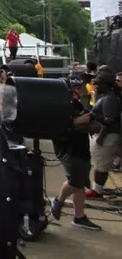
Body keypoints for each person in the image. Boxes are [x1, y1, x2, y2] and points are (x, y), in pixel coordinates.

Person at [50, 78, 101, 230]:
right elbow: (57, 127)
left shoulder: (77, 104)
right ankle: (58, 201)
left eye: (79, 87)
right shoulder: (59, 106)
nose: (78, 90)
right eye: (74, 88)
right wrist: (77, 122)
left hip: (81, 147)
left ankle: (79, 217)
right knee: (75, 181)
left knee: (80, 184)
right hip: (69, 149)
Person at [88, 73, 121, 199]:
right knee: (99, 164)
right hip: (102, 136)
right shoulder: (105, 97)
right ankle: (97, 189)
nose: (95, 85)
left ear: (104, 85)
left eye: (97, 83)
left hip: (106, 137)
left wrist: (101, 136)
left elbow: (109, 120)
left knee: (101, 166)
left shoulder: (110, 99)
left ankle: (97, 191)